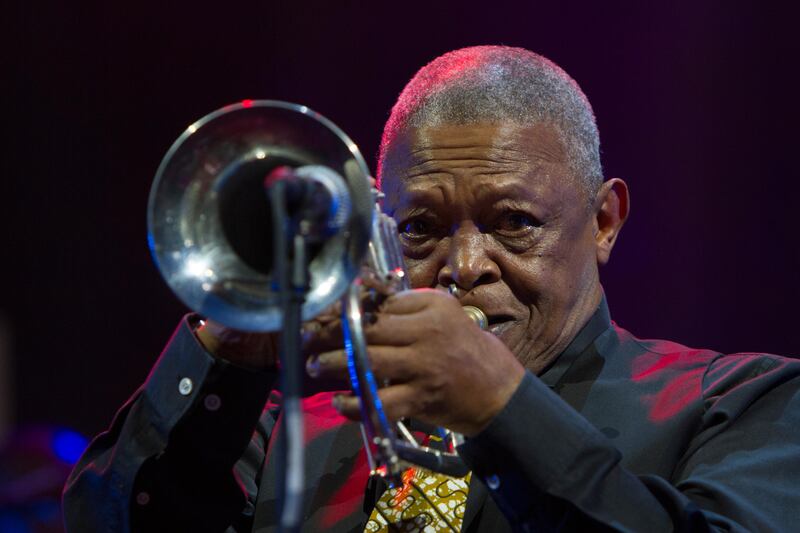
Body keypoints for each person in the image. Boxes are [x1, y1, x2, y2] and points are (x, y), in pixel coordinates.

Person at [63, 46, 800, 532]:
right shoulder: (287, 435)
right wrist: (228, 352)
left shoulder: (738, 403)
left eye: (513, 222)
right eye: (421, 227)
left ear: (604, 221)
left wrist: (505, 410)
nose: (463, 265)